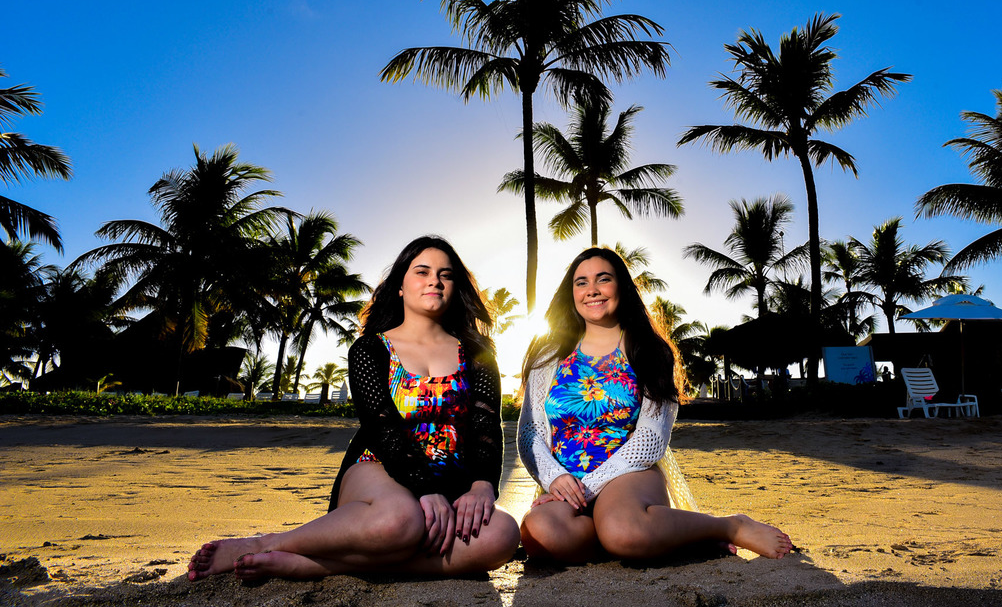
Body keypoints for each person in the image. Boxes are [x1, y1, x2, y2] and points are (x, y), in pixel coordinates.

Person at [188, 236, 520, 581]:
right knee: (401, 521)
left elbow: (485, 427)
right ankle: (267, 542)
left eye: (445, 275)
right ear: (401, 286)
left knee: (502, 535)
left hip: (451, 479)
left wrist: (482, 485)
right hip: (379, 468)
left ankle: (314, 565)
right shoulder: (370, 349)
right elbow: (383, 428)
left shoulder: (479, 353)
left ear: (455, 288)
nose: (434, 281)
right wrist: (425, 489)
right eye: (422, 272)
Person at [517, 246, 793, 563]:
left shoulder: (648, 351)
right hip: (565, 483)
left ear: (621, 286)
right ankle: (654, 538)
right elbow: (530, 432)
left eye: (603, 279)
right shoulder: (548, 354)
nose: (592, 290)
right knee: (540, 532)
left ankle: (729, 526)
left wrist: (587, 486)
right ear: (571, 293)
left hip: (629, 475)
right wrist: (554, 478)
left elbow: (651, 438)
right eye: (581, 282)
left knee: (623, 529)